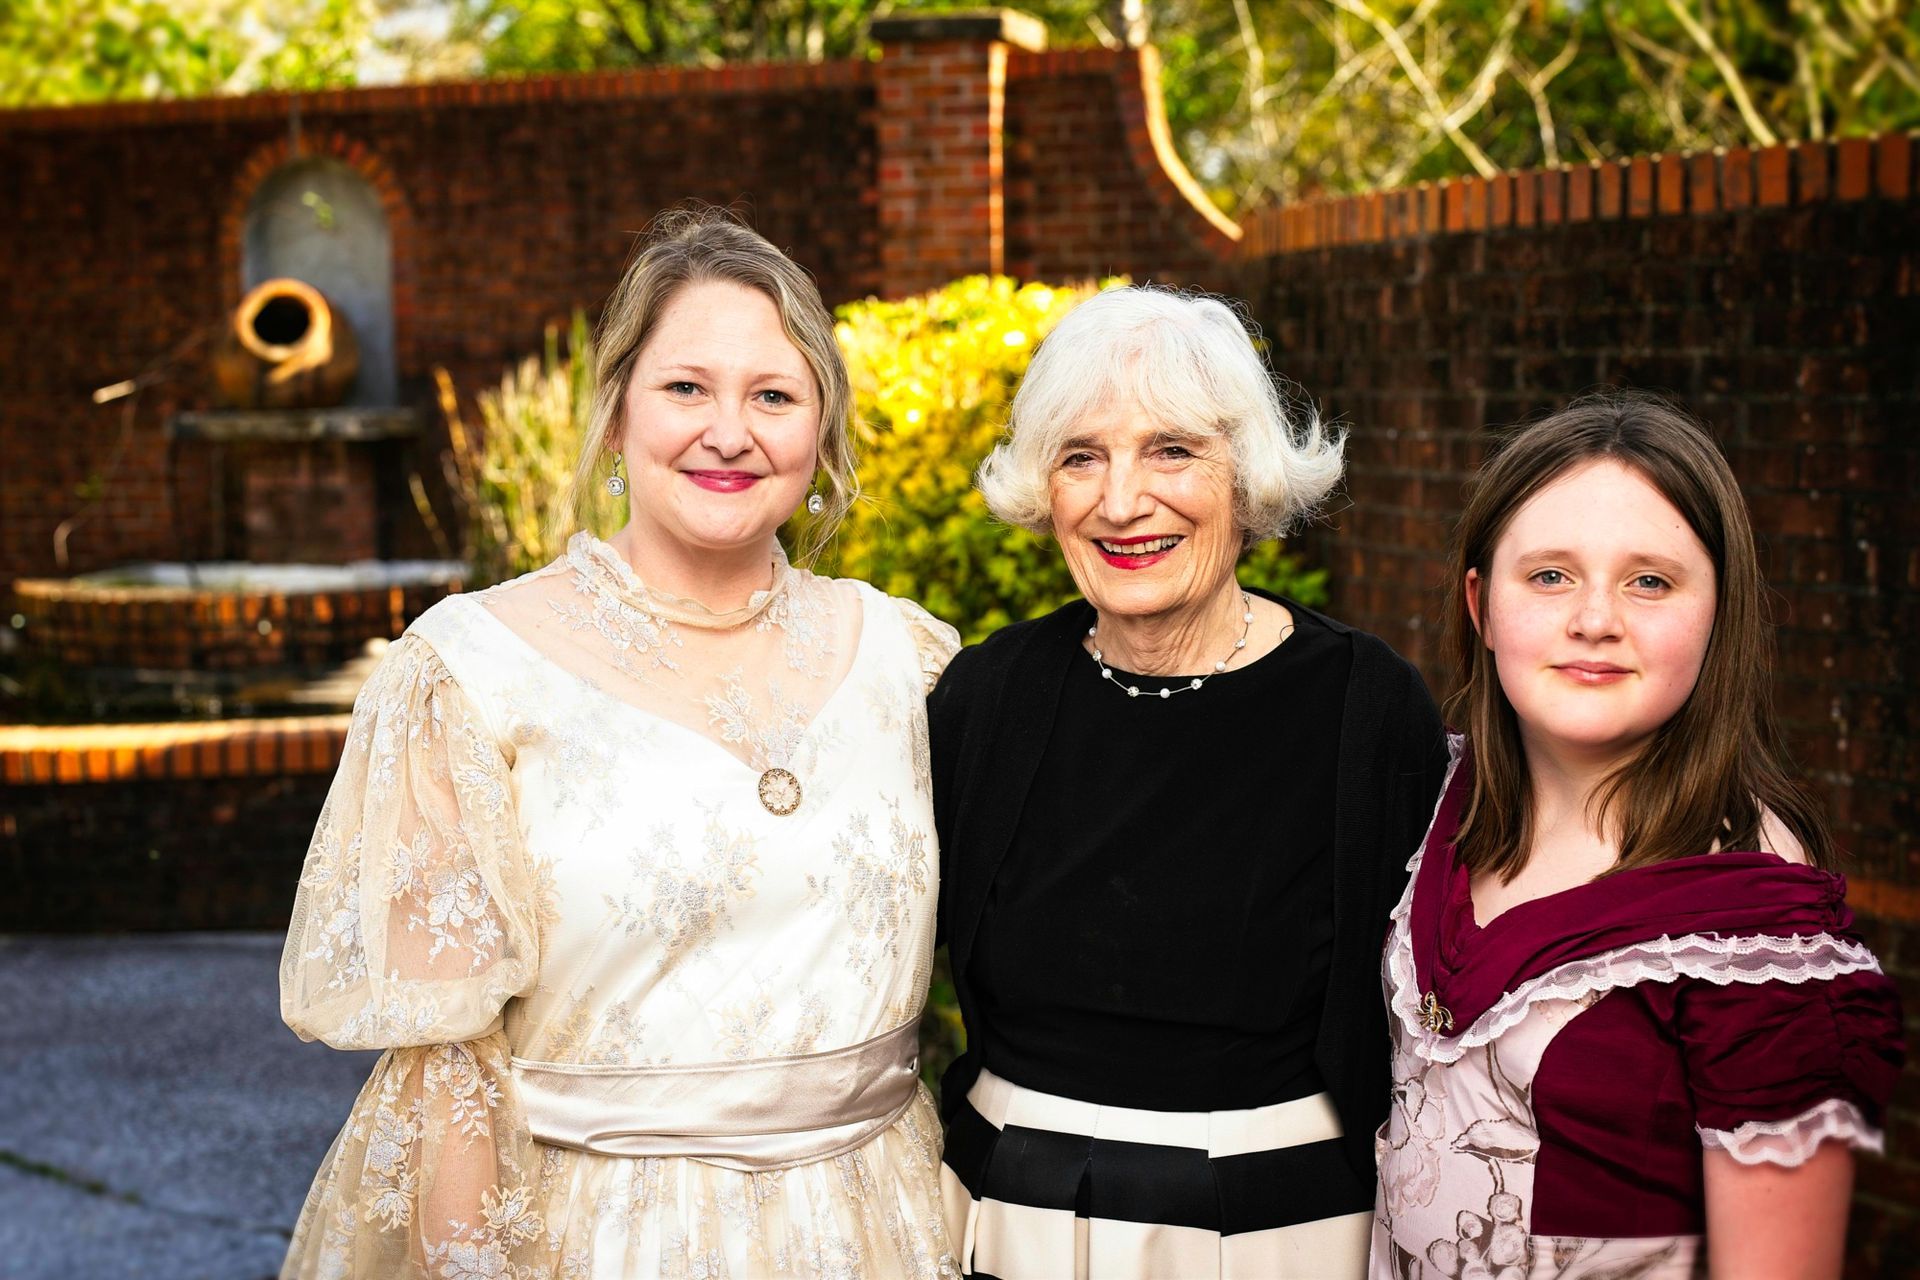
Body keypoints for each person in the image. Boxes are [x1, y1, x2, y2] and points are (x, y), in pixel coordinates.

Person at [279, 211, 962, 1279]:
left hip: (881, 1223)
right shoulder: (473, 671)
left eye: (773, 395)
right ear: (615, 412)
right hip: (600, 1235)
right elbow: (446, 1063)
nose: (729, 431)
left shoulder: (908, 659)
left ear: (821, 432)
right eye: (686, 387)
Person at [929, 285, 1450, 1278]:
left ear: (1247, 476)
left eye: (1172, 449)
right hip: (1009, 1222)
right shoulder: (986, 698)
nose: (1123, 500)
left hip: (1278, 1229)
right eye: (1082, 455)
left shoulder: (1365, 709)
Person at [1372, 393, 1904, 1278]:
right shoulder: (1433, 802)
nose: (1594, 620)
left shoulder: (1758, 929)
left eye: (1649, 580)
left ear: (1718, 609)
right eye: (1549, 576)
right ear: (1480, 603)